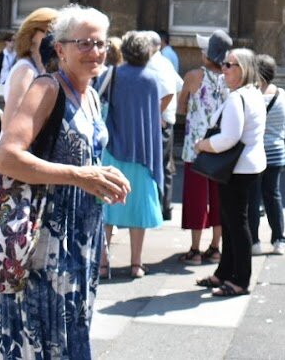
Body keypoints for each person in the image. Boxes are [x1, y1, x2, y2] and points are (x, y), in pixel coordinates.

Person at [0, 4, 130, 360]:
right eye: (85, 43)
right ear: (60, 49)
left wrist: (103, 173)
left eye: (101, 44)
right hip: (45, 236)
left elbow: (83, 156)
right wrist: (81, 176)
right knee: (39, 327)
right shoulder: (47, 88)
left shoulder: (91, 95)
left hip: (81, 234)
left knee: (67, 322)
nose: (95, 52)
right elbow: (7, 156)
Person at [192, 47, 266, 297]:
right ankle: (224, 273)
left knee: (236, 223)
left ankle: (240, 279)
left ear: (242, 70)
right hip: (248, 166)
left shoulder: (237, 98)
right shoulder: (253, 93)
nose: (223, 69)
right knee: (231, 220)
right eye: (224, 64)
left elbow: (229, 138)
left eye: (229, 65)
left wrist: (203, 145)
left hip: (237, 168)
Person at [99, 31, 173, 277]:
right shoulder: (152, 79)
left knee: (108, 211)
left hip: (113, 149)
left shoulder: (114, 74)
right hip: (142, 153)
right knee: (139, 211)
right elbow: (154, 119)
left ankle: (102, 263)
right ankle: (136, 264)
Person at [176, 28, 231, 264]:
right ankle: (215, 247)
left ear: (208, 55)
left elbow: (180, 106)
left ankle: (195, 249)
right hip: (220, 145)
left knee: (196, 198)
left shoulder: (193, 77)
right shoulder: (231, 78)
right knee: (219, 198)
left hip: (196, 147)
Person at [249, 54, 285, 255]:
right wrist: (280, 145)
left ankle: (254, 242)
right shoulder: (284, 96)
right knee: (273, 196)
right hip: (276, 154)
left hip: (254, 155)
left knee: (253, 198)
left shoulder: (251, 96)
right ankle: (279, 240)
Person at [141, 30, 183, 221]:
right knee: (165, 166)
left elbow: (168, 92)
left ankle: (159, 207)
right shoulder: (164, 61)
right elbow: (179, 85)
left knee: (157, 165)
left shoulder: (154, 63)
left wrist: (157, 114)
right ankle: (164, 207)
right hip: (167, 119)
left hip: (161, 121)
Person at [0, 7, 59, 125]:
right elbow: (10, 123)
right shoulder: (25, 71)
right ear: (32, 34)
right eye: (50, 31)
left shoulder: (40, 67)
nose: (54, 37)